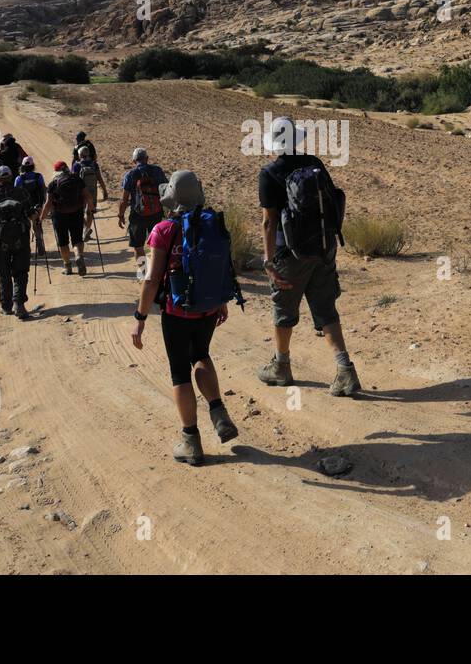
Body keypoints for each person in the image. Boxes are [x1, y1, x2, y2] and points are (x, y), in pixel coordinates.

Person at [131, 170, 240, 465]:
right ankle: (218, 412)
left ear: (171, 200)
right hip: (207, 307)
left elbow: (151, 279)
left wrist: (140, 316)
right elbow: (223, 265)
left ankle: (191, 441)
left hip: (177, 311)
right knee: (201, 354)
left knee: (180, 372)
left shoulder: (164, 230)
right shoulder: (212, 222)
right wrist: (221, 300)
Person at [255, 116, 360, 396]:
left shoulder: (269, 174)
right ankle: (345, 370)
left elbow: (269, 222)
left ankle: (282, 367)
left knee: (283, 311)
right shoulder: (313, 163)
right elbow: (334, 200)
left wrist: (268, 261)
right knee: (326, 309)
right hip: (323, 247)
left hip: (289, 254)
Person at [0, 165, 36, 319]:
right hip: (21, 238)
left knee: (3, 273)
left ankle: (6, 306)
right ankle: (19, 304)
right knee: (20, 271)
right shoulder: (22, 193)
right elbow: (31, 214)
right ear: (11, 178)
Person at [117, 147, 168, 265]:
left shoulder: (130, 175)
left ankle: (144, 273)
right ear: (147, 159)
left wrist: (120, 215)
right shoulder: (157, 171)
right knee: (157, 245)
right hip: (156, 213)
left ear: (134, 161)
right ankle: (157, 273)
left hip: (137, 215)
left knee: (138, 247)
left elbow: (124, 199)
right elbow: (166, 190)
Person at [40, 160, 90, 276]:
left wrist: (42, 218)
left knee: (63, 242)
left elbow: (48, 203)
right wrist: (91, 209)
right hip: (76, 212)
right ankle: (78, 256)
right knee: (77, 239)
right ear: (67, 168)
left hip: (59, 215)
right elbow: (88, 196)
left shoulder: (53, 184)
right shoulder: (77, 179)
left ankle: (67, 266)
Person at [73, 144, 109, 241]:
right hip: (92, 192)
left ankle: (86, 229)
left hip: (80, 192)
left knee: (79, 212)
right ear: (88, 154)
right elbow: (100, 178)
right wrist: (105, 191)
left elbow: (74, 180)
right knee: (89, 213)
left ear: (80, 155)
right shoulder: (94, 164)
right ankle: (86, 232)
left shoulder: (77, 165)